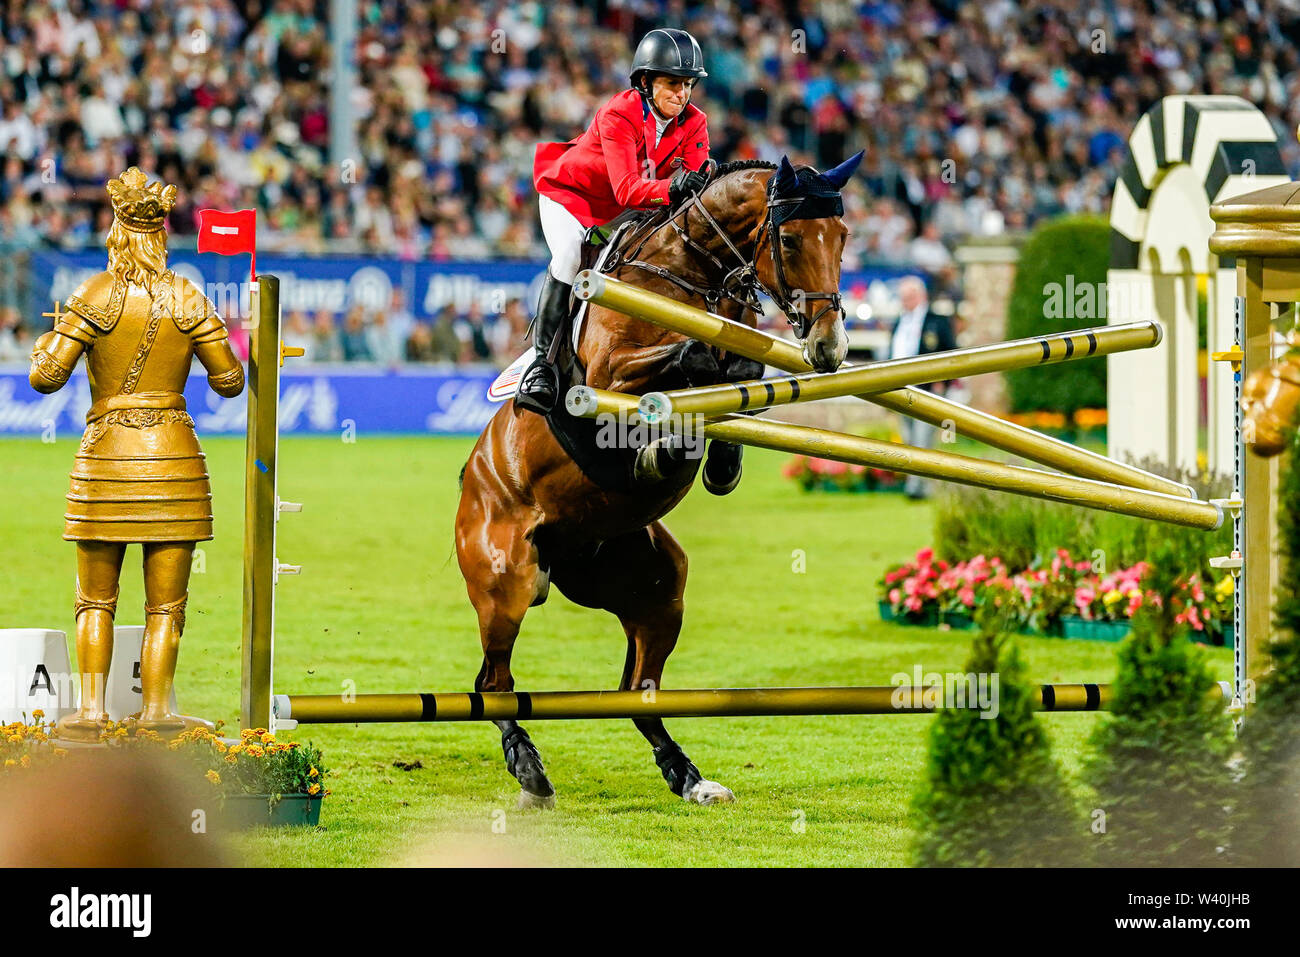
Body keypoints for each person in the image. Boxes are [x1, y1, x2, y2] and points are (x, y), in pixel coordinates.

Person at [515, 28, 713, 414]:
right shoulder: (620, 111)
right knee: (570, 258)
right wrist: (675, 186)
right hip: (571, 198)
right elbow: (626, 188)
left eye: (688, 84)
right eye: (672, 83)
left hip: (626, 211)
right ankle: (541, 365)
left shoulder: (695, 121)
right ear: (645, 81)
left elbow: (692, 187)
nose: (682, 93)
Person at [889, 275, 956, 500]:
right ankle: (916, 483)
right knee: (908, 438)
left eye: (908, 297)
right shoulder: (900, 321)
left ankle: (918, 488)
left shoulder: (937, 320)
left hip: (926, 388)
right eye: (902, 297)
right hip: (900, 389)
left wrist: (942, 382)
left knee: (922, 438)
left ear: (920, 296)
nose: (904, 301)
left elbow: (951, 353)